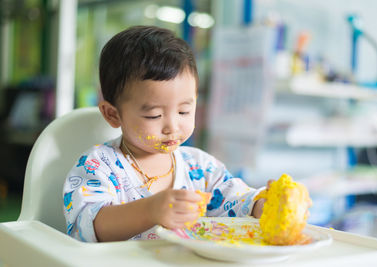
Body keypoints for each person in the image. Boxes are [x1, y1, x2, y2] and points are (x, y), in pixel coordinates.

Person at [63, 25, 266, 242]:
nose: (172, 126)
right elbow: (88, 228)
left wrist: (264, 205)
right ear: (113, 115)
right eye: (154, 115)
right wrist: (150, 210)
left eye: (183, 111)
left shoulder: (201, 168)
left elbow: (239, 201)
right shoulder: (98, 166)